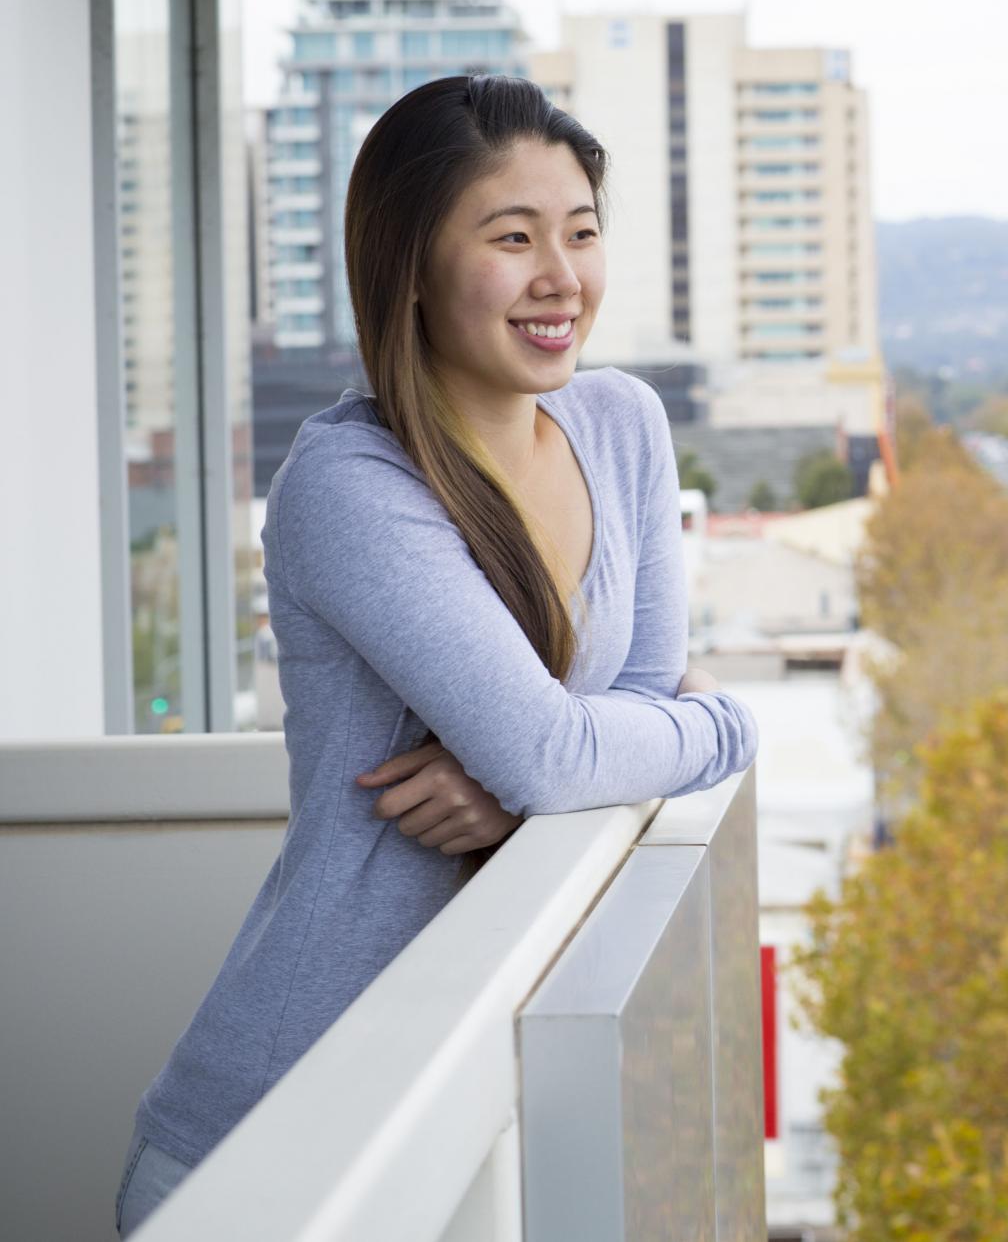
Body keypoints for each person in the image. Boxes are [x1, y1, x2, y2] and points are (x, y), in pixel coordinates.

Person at [115, 76, 757, 1236]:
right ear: (410, 262)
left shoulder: (620, 426)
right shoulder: (350, 485)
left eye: (581, 232)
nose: (560, 277)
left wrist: (521, 788)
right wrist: (724, 730)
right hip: (285, 1131)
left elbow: (608, 718)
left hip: (482, 1082)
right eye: (512, 238)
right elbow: (578, 747)